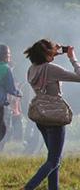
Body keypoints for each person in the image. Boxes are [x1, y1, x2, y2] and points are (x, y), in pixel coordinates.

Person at [24, 40, 80, 190]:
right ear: (46, 53)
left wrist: (53, 53)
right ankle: (28, 187)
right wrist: (72, 58)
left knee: (54, 159)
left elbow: (44, 67)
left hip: (41, 116)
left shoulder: (32, 69)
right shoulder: (51, 69)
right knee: (54, 160)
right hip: (55, 117)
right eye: (52, 49)